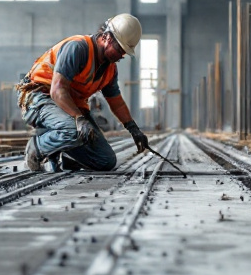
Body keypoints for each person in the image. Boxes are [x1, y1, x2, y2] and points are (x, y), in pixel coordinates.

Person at [15, 14, 151, 171]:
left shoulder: (110, 69)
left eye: (124, 52)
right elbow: (57, 91)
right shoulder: (78, 48)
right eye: (119, 49)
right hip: (39, 98)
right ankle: (36, 147)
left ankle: (66, 156)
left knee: (105, 160)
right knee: (73, 131)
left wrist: (134, 129)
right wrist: (79, 119)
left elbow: (116, 102)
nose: (121, 55)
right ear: (107, 37)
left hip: (68, 107)